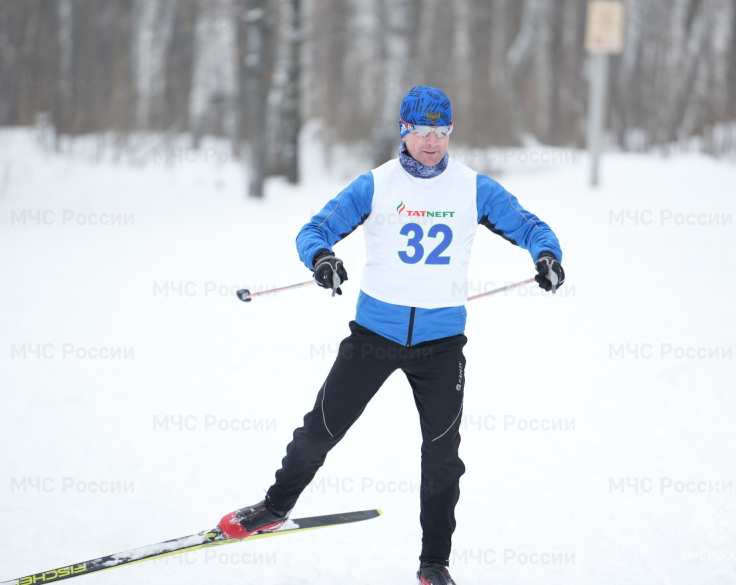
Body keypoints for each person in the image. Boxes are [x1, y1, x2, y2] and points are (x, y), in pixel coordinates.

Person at [218, 85, 564, 585]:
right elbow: (313, 230)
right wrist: (322, 259)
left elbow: (530, 227)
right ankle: (274, 506)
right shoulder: (375, 185)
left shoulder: (474, 188)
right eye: (423, 132)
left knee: (443, 456)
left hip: (442, 346)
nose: (432, 142)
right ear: (404, 131)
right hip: (374, 336)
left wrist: (547, 256)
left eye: (442, 133)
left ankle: (434, 563)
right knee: (320, 429)